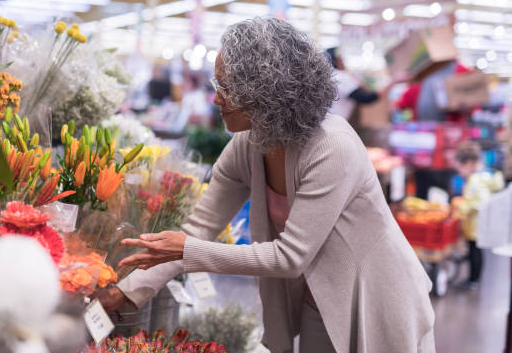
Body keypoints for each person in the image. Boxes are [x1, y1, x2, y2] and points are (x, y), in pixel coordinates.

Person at [98, 17, 435, 353]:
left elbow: (290, 257)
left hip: (375, 293)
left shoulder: (331, 146)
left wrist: (188, 250)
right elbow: (198, 229)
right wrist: (129, 291)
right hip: (317, 296)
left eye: (227, 88)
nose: (216, 99)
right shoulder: (247, 146)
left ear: (269, 90)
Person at [452, 141, 504, 289]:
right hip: (478, 223)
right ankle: (474, 278)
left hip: (476, 224)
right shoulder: (486, 175)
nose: (460, 172)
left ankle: (473, 280)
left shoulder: (476, 181)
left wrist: (461, 208)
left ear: (468, 163)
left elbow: (478, 202)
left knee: (475, 251)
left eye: (460, 168)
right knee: (475, 250)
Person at [325, 47, 405, 120]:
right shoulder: (341, 77)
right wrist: (393, 81)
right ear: (336, 60)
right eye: (340, 58)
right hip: (334, 121)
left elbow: (365, 90)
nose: (343, 60)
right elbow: (367, 98)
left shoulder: (333, 76)